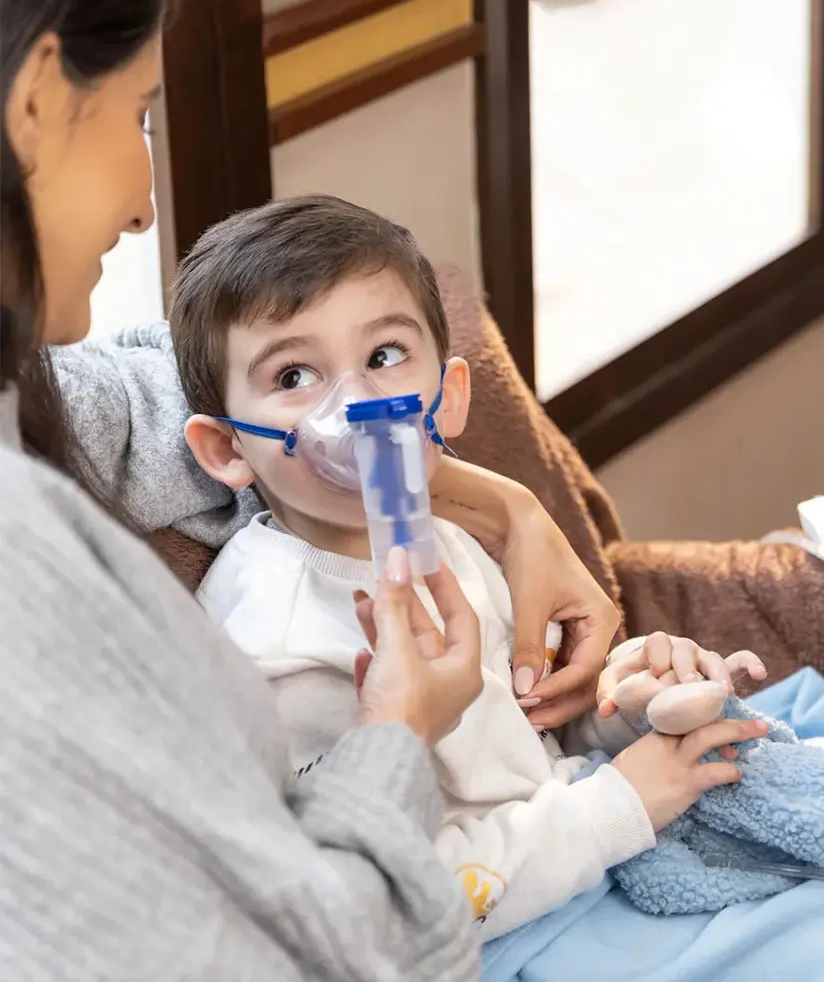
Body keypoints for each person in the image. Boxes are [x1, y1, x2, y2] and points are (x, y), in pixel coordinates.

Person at [0, 0, 626, 977]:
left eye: (386, 359)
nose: (143, 203)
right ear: (35, 99)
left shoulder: (52, 405)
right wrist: (400, 730)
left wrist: (511, 509)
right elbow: (311, 945)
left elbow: (218, 387)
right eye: (138, 116)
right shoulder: (68, 590)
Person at [162, 193, 768, 939]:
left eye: (383, 357)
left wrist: (631, 706)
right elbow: (386, 899)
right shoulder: (275, 646)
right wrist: (620, 807)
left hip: (583, 855)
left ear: (445, 400)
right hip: (502, 940)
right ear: (226, 449)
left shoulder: (450, 541)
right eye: (294, 376)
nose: (359, 407)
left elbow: (527, 736)